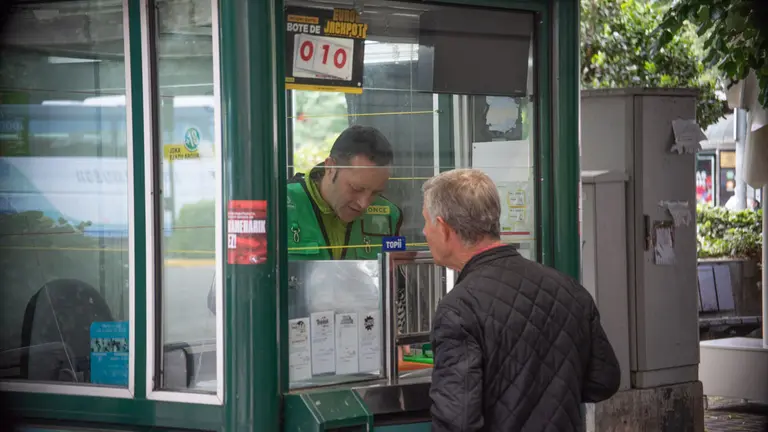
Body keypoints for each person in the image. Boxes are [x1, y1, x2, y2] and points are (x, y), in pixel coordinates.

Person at [422, 169, 621, 431]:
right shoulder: (569, 289)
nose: (424, 232)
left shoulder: (458, 309)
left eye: (426, 222)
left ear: (445, 229)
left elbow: (457, 421)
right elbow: (604, 380)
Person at [287, 125, 403, 260]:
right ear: (330, 167)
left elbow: (396, 276)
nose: (364, 204)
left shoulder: (390, 215)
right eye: (356, 189)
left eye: (375, 193)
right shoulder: (280, 205)